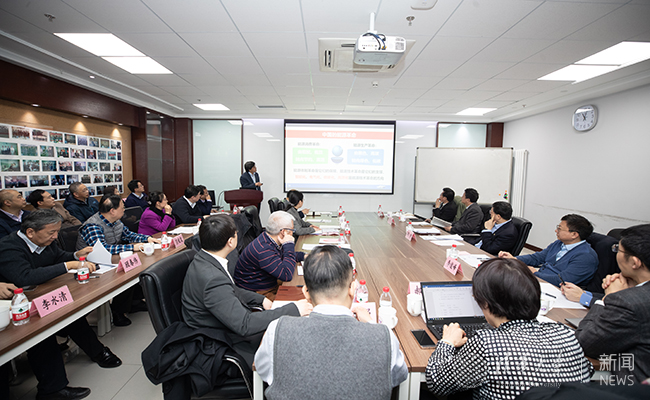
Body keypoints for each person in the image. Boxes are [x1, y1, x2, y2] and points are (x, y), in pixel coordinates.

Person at [425, 257, 593, 399]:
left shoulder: (487, 343)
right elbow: (587, 371)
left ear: (485, 303)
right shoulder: (566, 334)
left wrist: (447, 342)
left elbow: (436, 383)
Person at [255, 245, 408, 399]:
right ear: (352, 289)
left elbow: (263, 370)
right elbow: (398, 376)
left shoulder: (277, 331)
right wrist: (370, 323)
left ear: (306, 292)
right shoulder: (384, 336)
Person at [0, 210, 123, 400]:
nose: (56, 237)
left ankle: (98, 352)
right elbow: (24, 277)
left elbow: (58, 257)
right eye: (51, 232)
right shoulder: (9, 247)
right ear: (30, 232)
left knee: (72, 315)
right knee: (42, 332)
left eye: (57, 232)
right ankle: (52, 390)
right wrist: (69, 265)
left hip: (39, 295)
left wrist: (75, 255)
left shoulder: (45, 241)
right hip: (14, 305)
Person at [181, 214, 312, 367]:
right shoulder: (212, 278)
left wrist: (260, 299)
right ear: (231, 242)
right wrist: (293, 309)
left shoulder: (205, 260)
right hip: (219, 339)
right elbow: (245, 325)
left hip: (225, 321)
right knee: (290, 335)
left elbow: (230, 289)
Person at [575, 224, 650, 382]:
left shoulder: (628, 302)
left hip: (630, 385)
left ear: (635, 262)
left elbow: (584, 343)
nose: (615, 253)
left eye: (618, 250)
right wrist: (633, 287)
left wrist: (608, 299)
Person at [76, 194, 159, 326]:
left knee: (139, 267)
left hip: (111, 259)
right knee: (126, 273)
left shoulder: (116, 222)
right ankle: (117, 311)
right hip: (92, 265)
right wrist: (132, 247)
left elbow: (128, 235)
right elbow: (102, 249)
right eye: (122, 207)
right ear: (112, 211)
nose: (124, 210)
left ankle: (133, 302)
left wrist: (146, 238)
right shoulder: (92, 225)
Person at [500, 214, 598, 287]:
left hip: (555, 289)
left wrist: (534, 273)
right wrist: (514, 259)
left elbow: (562, 280)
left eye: (559, 229)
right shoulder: (559, 243)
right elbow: (537, 257)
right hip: (540, 281)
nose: (556, 231)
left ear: (574, 234)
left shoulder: (585, 256)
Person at [234, 211, 305, 300]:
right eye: (292, 231)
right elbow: (287, 275)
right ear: (283, 232)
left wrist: (304, 256)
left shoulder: (267, 238)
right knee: (301, 299)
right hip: (257, 292)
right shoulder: (264, 249)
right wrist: (288, 244)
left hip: (267, 282)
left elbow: (282, 255)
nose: (293, 234)